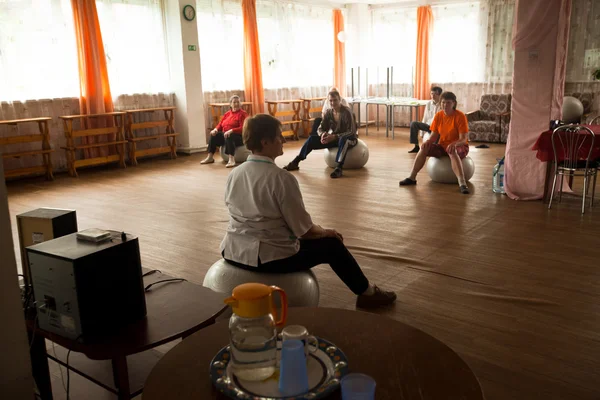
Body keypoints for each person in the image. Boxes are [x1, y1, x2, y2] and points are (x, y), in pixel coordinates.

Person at [221, 113, 397, 309]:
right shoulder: (281, 179)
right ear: (265, 142)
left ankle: (366, 291)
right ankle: (367, 293)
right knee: (332, 245)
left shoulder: (234, 174)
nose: (283, 140)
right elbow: (304, 231)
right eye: (279, 136)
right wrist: (327, 231)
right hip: (268, 259)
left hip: (231, 251)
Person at [399, 91, 471, 194]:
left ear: (454, 103)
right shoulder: (439, 115)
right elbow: (433, 136)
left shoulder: (460, 116)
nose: (445, 105)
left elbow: (463, 139)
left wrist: (454, 144)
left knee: (452, 150)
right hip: (442, 146)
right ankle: (412, 177)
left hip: (460, 146)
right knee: (424, 148)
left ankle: (462, 183)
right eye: (443, 102)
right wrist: (427, 142)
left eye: (448, 103)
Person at [283, 90, 357, 179]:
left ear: (340, 100)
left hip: (349, 139)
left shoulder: (347, 112)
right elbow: (320, 128)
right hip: (334, 138)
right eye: (331, 101)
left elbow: (351, 131)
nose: (333, 103)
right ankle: (296, 161)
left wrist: (335, 136)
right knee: (311, 139)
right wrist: (322, 134)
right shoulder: (329, 112)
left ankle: (339, 168)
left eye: (335, 100)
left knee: (343, 140)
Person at [201, 95, 248, 168]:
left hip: (239, 137)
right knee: (214, 135)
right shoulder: (227, 114)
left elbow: (243, 127)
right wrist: (215, 129)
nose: (236, 104)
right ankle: (210, 157)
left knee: (229, 136)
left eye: (238, 102)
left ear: (240, 103)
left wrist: (231, 130)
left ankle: (231, 159)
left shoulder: (243, 114)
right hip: (226, 135)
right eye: (234, 102)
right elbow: (220, 124)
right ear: (230, 104)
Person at [408, 86, 442, 153]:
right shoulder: (429, 103)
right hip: (428, 126)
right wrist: (422, 133)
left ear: (440, 95)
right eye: (432, 93)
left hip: (437, 128)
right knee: (413, 124)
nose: (433, 95)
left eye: (435, 94)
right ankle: (416, 146)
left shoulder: (443, 104)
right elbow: (425, 117)